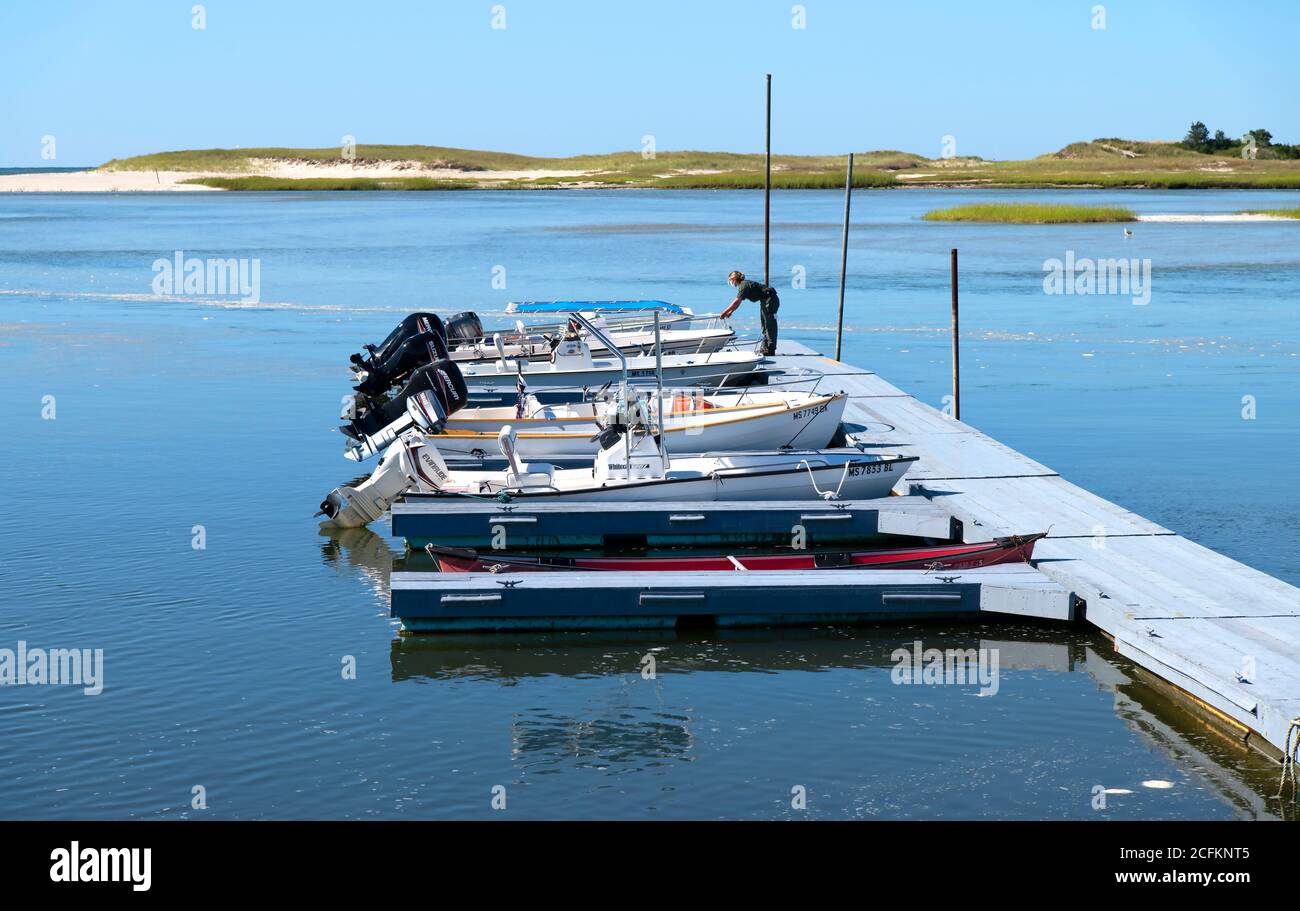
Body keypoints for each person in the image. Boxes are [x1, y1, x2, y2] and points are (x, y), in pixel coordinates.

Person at [720, 270, 780, 356]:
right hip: (765, 300)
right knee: (764, 325)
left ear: (734, 279)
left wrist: (724, 312)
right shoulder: (742, 285)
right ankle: (765, 347)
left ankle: (770, 349)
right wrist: (730, 312)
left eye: (731, 280)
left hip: (770, 300)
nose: (731, 283)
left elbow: (736, 302)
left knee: (769, 325)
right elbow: (737, 303)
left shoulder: (743, 286)